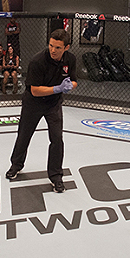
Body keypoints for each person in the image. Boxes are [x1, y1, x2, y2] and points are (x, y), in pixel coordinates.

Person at [6, 28, 77, 193]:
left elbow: (74, 80)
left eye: (58, 47)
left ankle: (56, 176)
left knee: (57, 139)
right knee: (24, 134)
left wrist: (69, 86)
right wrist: (58, 88)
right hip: (34, 103)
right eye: (51, 45)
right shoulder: (38, 61)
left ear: (66, 47)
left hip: (53, 104)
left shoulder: (70, 59)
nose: (53, 50)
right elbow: (35, 90)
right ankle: (16, 165)